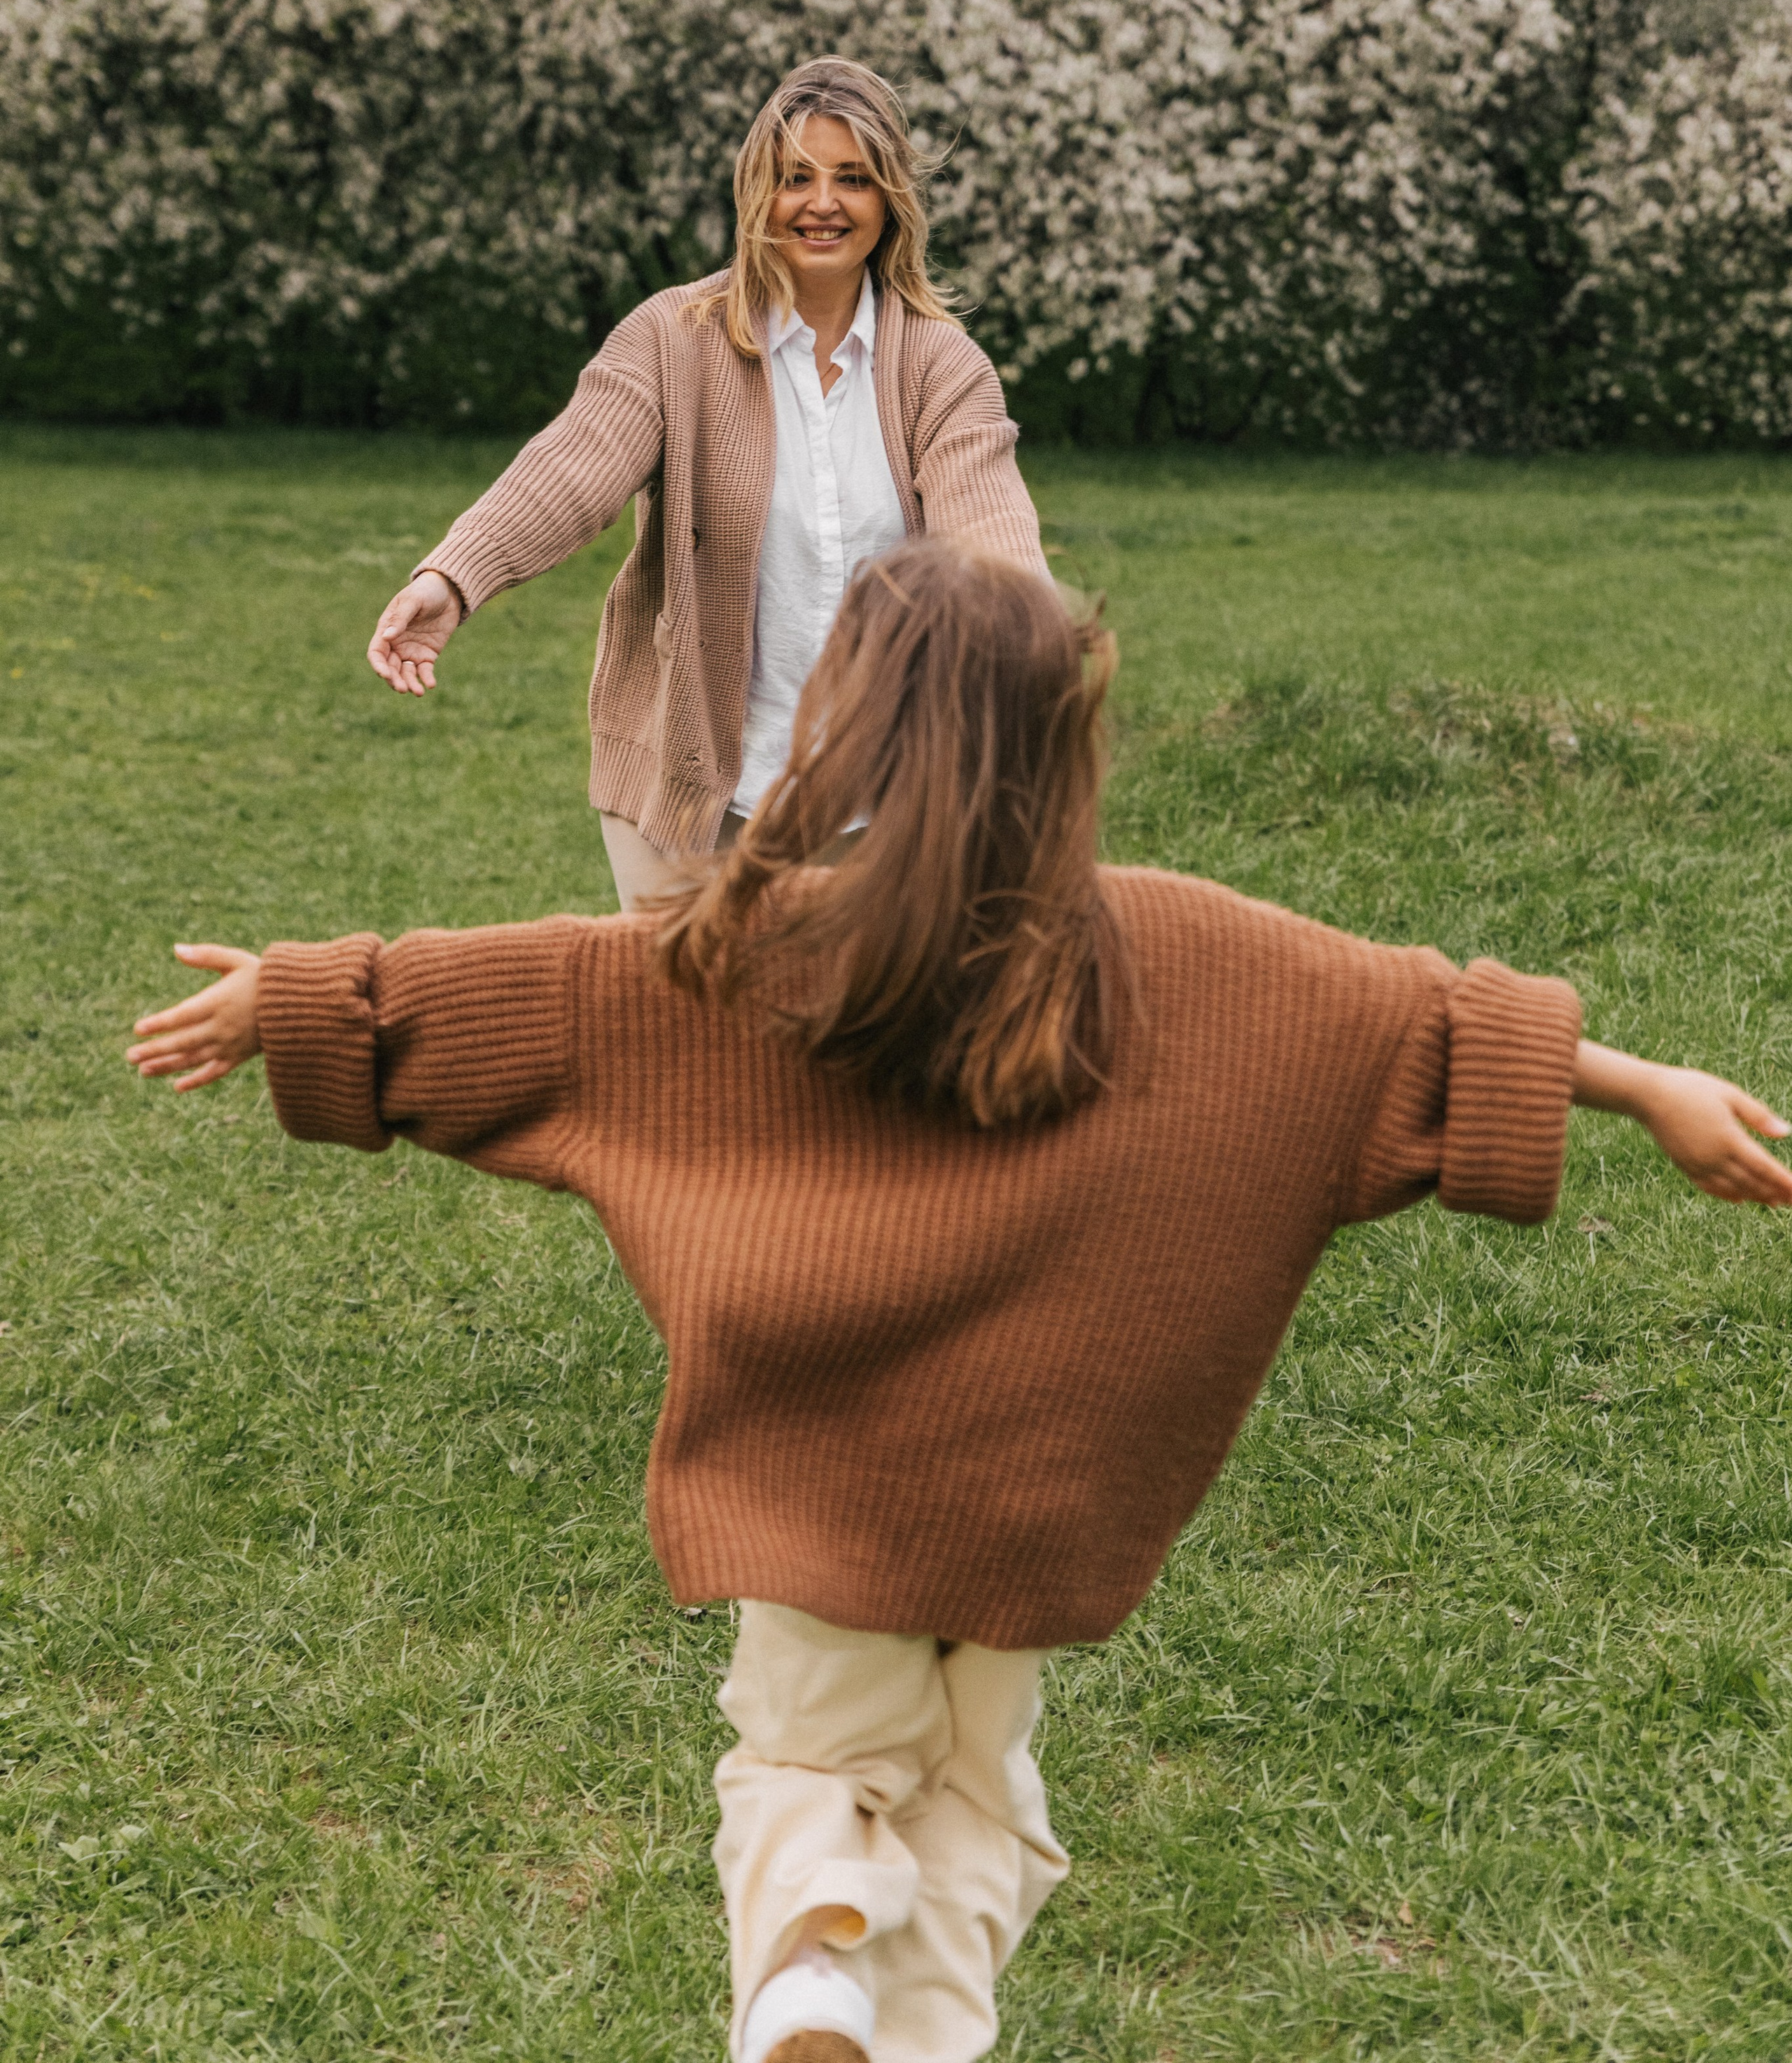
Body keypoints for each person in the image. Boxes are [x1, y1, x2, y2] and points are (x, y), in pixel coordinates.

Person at [130, 540, 1792, 2063]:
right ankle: (894, 2029)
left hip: (822, 1508)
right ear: (1061, 741)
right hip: (1029, 1520)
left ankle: (802, 1977)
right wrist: (1647, 1087)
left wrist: (303, 995)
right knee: (982, 1815)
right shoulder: (1189, 952)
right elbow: (1410, 1024)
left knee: (804, 1773)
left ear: (844, 715)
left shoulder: (738, 950)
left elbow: (517, 994)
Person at [364, 57, 1044, 911]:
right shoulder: (674, 339)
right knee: (676, 1042)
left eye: (853, 179)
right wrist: (453, 577)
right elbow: (575, 465)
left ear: (890, 201)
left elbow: (988, 517)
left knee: (854, 1041)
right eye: (795, 178)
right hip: (694, 792)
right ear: (757, 193)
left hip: (890, 799)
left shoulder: (942, 368)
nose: (822, 203)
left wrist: (1030, 636)